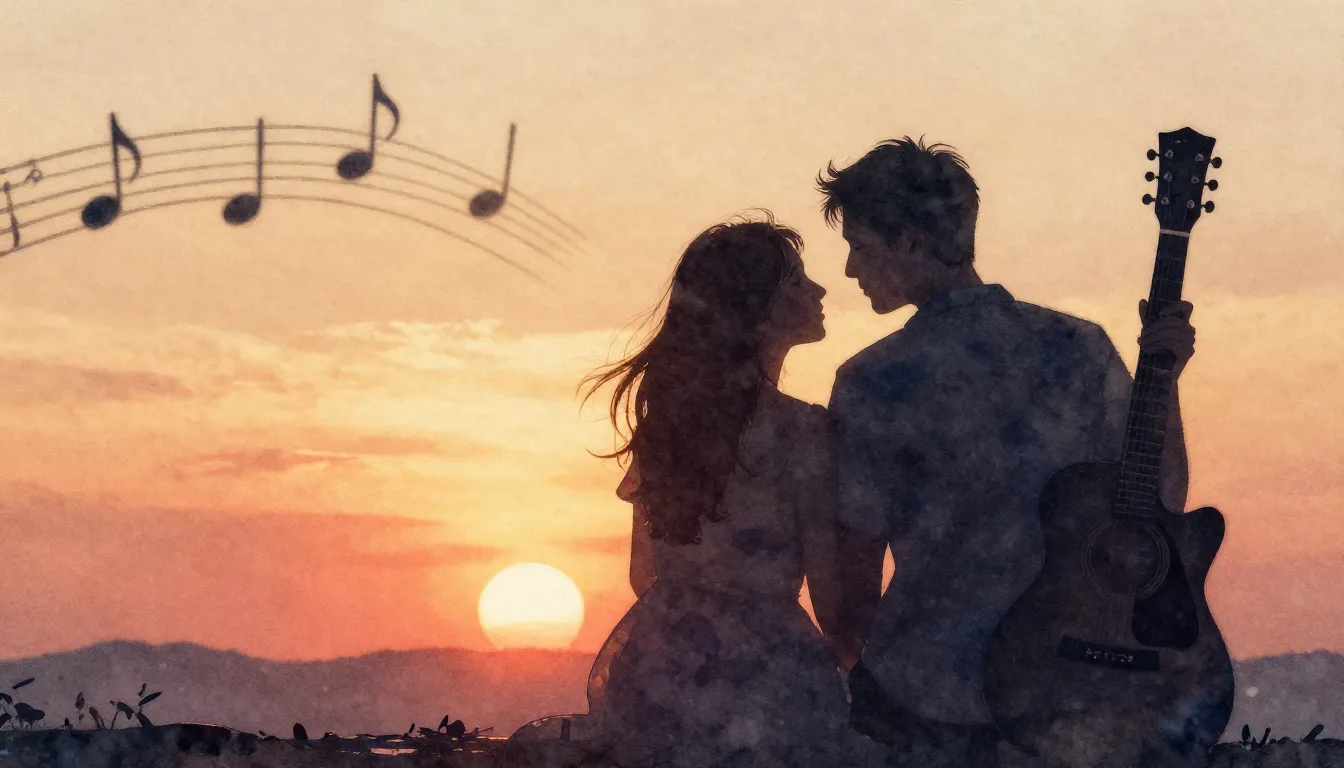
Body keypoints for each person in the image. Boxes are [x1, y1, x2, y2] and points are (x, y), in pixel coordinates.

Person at [818, 137, 1198, 767]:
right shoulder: (1076, 346)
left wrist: (854, 672)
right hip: (1063, 685)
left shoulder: (873, 381)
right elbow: (1160, 500)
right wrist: (1167, 382)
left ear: (910, 241)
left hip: (927, 691)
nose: (852, 270)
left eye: (859, 246)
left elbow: (854, 580)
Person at [508, 214, 854, 768]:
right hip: (768, 677)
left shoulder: (670, 426)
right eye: (796, 280)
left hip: (663, 666)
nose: (819, 291)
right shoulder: (804, 432)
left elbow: (643, 573)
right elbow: (831, 597)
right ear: (756, 309)